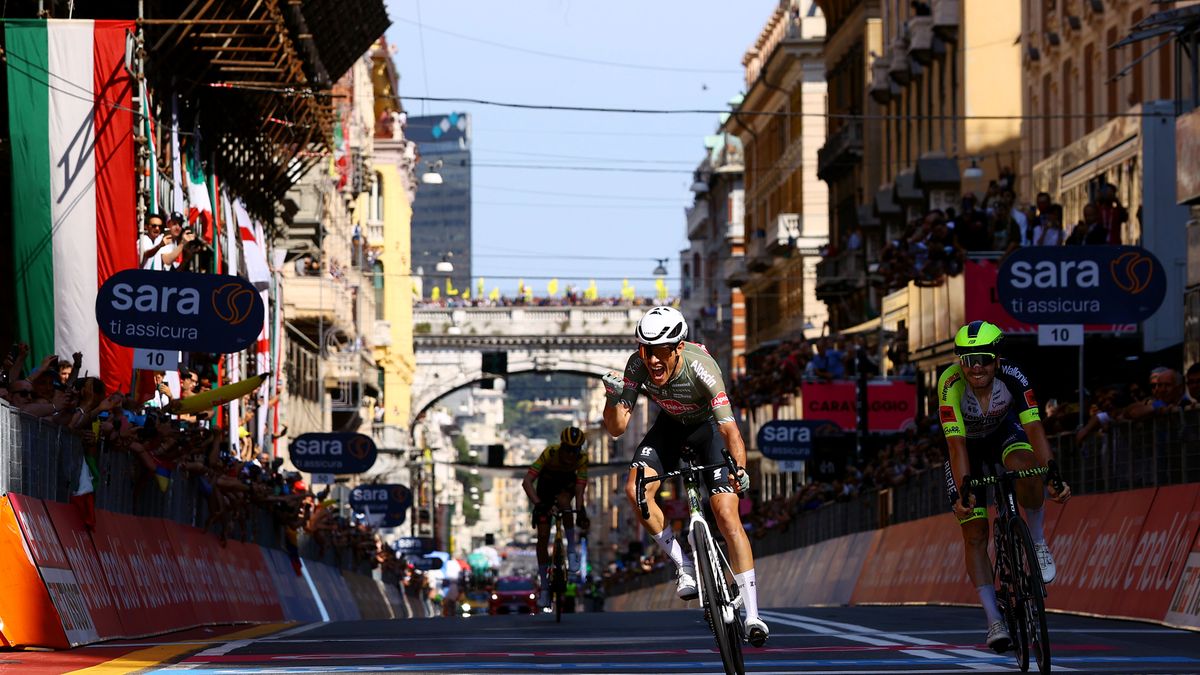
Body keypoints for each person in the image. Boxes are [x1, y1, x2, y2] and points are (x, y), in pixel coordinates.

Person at [601, 306, 768, 647]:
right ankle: (685, 564)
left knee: (725, 513)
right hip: (669, 429)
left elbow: (730, 430)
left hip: (706, 431)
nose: (653, 361)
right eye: (646, 350)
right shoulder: (638, 364)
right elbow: (617, 429)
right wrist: (612, 398)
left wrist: (740, 469)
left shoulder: (701, 368)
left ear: (678, 347)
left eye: (660, 351)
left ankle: (753, 614)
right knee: (635, 490)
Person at [938, 321, 1071, 652]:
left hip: (1004, 434)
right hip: (966, 448)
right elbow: (956, 446)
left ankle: (1037, 542)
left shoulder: (1014, 375)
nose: (976, 367)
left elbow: (1035, 427)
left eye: (983, 358)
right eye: (968, 360)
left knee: (1028, 469)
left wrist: (1052, 474)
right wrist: (963, 490)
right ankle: (994, 618)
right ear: (960, 362)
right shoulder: (949, 383)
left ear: (997, 359)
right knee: (975, 532)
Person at [523, 426, 590, 608]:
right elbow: (527, 481)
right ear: (561, 446)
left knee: (566, 506)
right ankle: (544, 588)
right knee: (543, 536)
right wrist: (538, 504)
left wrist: (581, 510)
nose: (571, 454)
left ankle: (571, 552)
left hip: (565, 487)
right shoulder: (550, 453)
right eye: (568, 449)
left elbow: (579, 488)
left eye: (575, 450)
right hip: (545, 488)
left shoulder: (582, 459)